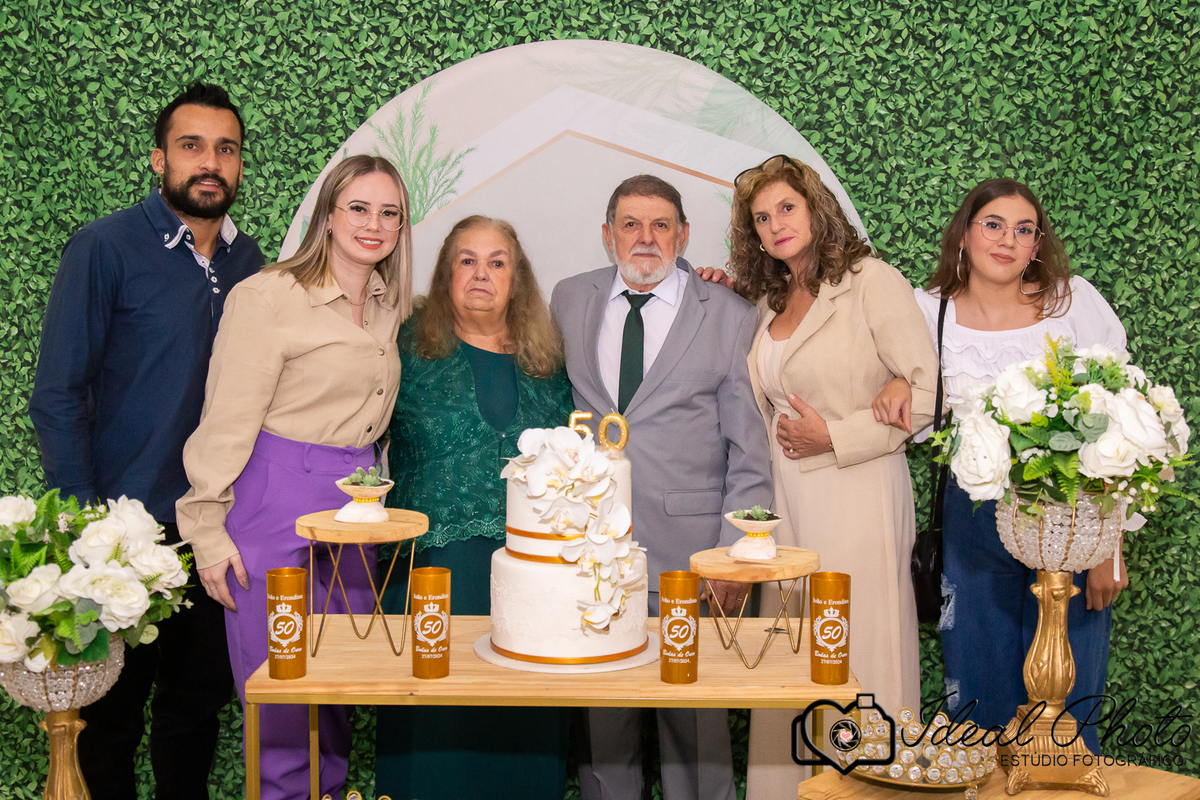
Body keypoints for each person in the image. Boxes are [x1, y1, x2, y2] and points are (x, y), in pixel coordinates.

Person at [28, 83, 262, 800]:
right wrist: (86, 529)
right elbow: (58, 394)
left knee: (195, 715)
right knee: (111, 724)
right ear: (159, 158)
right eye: (192, 146)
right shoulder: (105, 248)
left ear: (241, 164)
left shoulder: (251, 264)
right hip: (122, 536)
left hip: (214, 531)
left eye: (225, 149)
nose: (210, 163)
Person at [176, 154, 412, 800]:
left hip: (358, 506)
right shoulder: (268, 297)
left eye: (389, 213)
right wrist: (207, 533)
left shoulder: (389, 305)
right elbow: (225, 420)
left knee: (336, 687)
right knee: (280, 689)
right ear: (327, 215)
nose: (373, 224)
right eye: (358, 208)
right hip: (274, 494)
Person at [550, 174, 773, 800]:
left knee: (695, 730)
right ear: (607, 234)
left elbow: (750, 451)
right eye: (630, 224)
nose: (645, 238)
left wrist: (734, 555)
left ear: (684, 235)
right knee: (603, 730)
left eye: (660, 225)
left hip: (690, 559)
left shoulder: (729, 314)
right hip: (592, 557)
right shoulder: (569, 299)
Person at [726, 155, 938, 799]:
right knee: (790, 657)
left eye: (786, 208)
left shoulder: (872, 282)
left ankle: (865, 788)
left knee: (857, 653)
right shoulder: (766, 302)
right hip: (786, 509)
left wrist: (836, 436)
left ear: (816, 208)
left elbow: (927, 395)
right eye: (761, 218)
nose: (775, 225)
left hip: (859, 496)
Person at [912, 178, 1127, 753]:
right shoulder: (927, 311)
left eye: (1024, 229)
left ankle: (1063, 780)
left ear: (1036, 245)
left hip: (1070, 514)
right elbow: (902, 391)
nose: (1007, 239)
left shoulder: (1071, 303)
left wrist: (1109, 548)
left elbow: (1116, 422)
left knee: (1069, 690)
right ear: (964, 235)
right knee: (977, 684)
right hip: (972, 519)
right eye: (993, 224)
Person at [374, 215, 574, 798]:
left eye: (496, 262)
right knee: (436, 730)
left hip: (535, 577)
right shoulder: (404, 346)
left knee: (523, 724)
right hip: (433, 575)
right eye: (467, 260)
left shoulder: (550, 360)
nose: (481, 274)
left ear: (518, 278)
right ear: (445, 274)